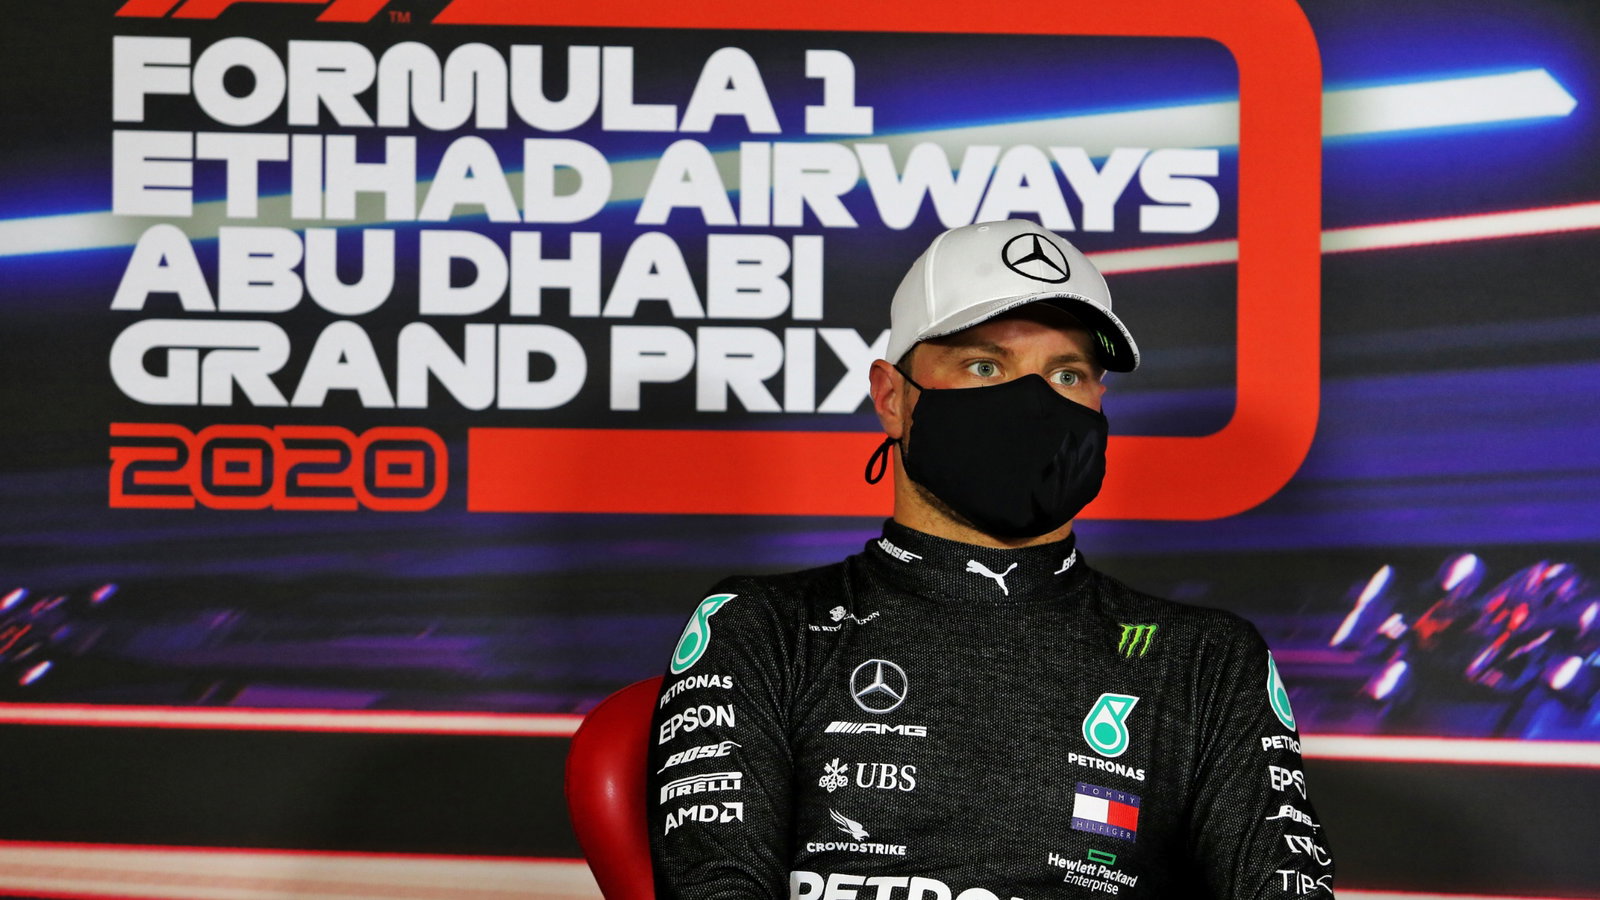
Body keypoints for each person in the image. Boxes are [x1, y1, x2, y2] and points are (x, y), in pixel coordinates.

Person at [647, 219, 1333, 899]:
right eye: (985, 366)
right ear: (892, 397)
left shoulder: (1203, 660)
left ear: (1101, 405)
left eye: (1068, 374)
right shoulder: (763, 628)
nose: (1034, 404)